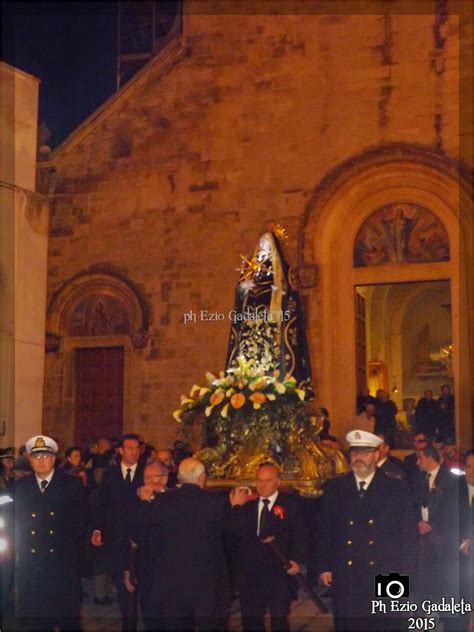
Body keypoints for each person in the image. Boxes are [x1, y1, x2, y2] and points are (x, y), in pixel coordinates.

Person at [315, 430, 417, 631]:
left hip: (386, 571)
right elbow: (324, 530)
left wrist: (405, 576)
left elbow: (407, 536)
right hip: (347, 572)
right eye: (355, 453)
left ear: (377, 455)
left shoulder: (395, 488)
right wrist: (324, 566)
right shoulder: (335, 487)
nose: (358, 458)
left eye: (365, 453)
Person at [144, 457, 247, 630]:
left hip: (172, 582)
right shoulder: (215, 502)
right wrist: (237, 506)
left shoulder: (162, 501)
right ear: (201, 478)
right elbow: (234, 534)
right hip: (207, 583)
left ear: (179, 477)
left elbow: (151, 537)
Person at [14, 435, 85, 631]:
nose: (41, 461)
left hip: (61, 564)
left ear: (54, 458)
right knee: (35, 620)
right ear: (29, 459)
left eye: (46, 457)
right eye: (36, 457)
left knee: (66, 619)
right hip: (31, 565)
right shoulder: (20, 486)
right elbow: (16, 522)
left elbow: (80, 523)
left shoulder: (72, 485)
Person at [236, 462, 307, 631]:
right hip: (251, 574)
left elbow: (301, 537)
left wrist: (297, 560)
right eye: (259, 480)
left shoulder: (291, 506)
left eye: (268, 480)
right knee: (251, 619)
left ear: (278, 482)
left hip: (279, 572)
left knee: (279, 619)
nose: (262, 485)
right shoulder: (247, 506)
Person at [90, 433, 144, 631]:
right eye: (130, 448)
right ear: (120, 450)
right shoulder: (110, 474)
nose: (134, 451)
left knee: (143, 586)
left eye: (137, 448)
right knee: (123, 588)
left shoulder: (147, 472)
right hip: (117, 540)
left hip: (142, 540)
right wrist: (97, 529)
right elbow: (101, 504)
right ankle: (127, 624)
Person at [413, 444, 465, 626]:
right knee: (426, 575)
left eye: (420, 458)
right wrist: (419, 522)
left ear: (429, 458)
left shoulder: (451, 479)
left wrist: (432, 527)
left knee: (444, 576)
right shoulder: (420, 479)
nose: (417, 462)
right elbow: (416, 505)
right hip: (424, 537)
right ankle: (428, 610)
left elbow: (453, 511)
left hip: (443, 538)